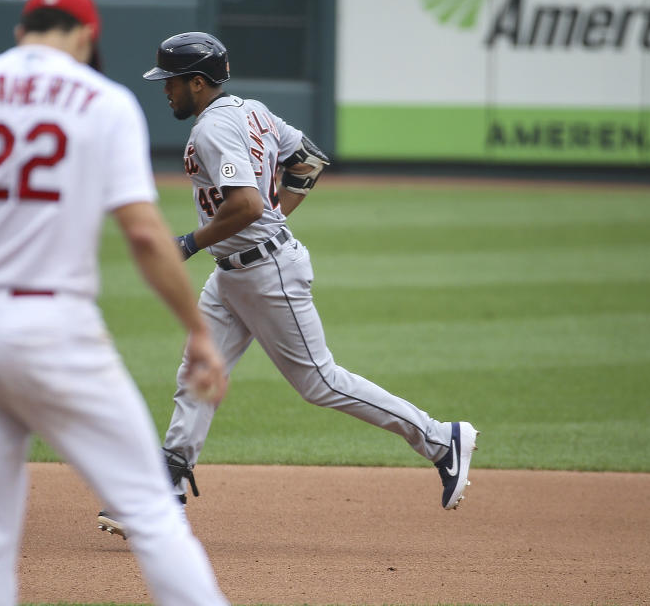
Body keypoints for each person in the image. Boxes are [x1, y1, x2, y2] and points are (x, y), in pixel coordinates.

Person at [0, 0, 229, 606]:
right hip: (54, 326)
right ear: (86, 37)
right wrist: (197, 330)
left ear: (20, 29)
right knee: (148, 508)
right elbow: (143, 233)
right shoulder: (104, 102)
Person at [96, 31, 478, 540]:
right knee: (196, 371)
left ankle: (439, 438)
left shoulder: (212, 130)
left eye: (171, 82)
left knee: (319, 381)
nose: (165, 90)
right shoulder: (252, 111)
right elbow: (310, 159)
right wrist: (272, 216)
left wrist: (188, 242)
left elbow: (249, 205)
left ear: (197, 82)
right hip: (235, 273)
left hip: (265, 272)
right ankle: (163, 492)